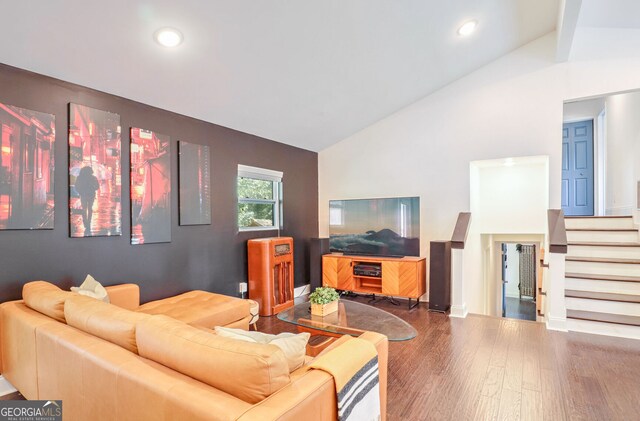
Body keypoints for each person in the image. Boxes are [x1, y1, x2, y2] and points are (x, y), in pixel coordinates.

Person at [75, 166, 99, 233]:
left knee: (84, 208)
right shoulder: (93, 178)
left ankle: (85, 222)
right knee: (90, 208)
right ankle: (89, 222)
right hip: (91, 195)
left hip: (83, 195)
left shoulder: (80, 178)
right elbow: (97, 187)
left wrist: (80, 191)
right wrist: (92, 187)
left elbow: (76, 186)